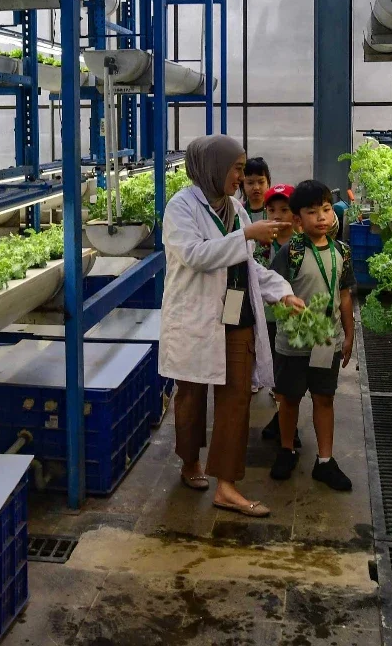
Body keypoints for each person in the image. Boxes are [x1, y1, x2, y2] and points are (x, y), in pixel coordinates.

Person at [160, 135, 304, 518]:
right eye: (236, 168)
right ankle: (189, 461)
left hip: (236, 315)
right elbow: (194, 255)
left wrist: (281, 292)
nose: (241, 177)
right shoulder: (181, 208)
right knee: (191, 395)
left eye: (242, 168)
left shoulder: (235, 209)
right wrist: (246, 236)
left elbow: (248, 265)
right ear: (213, 167)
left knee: (237, 397)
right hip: (196, 318)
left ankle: (226, 485)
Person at [268, 180, 356, 491]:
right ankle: (286, 450)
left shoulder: (342, 252)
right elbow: (272, 290)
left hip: (326, 342)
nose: (321, 216)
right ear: (297, 220)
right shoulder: (289, 253)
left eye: (327, 209)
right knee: (289, 398)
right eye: (312, 211)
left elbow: (344, 296)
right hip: (292, 344)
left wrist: (348, 334)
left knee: (324, 398)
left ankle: (325, 461)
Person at [256, 184, 302, 450]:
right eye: (271, 210)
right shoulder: (261, 246)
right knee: (276, 375)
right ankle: (283, 422)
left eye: (284, 210)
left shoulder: (302, 246)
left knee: (290, 379)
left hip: (293, 320)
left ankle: (287, 426)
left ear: (295, 215)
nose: (277, 216)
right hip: (269, 320)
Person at [242, 157, 272, 223]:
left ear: (268, 182)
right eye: (250, 183)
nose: (256, 187)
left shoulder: (274, 209)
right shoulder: (238, 210)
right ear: (242, 184)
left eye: (261, 182)